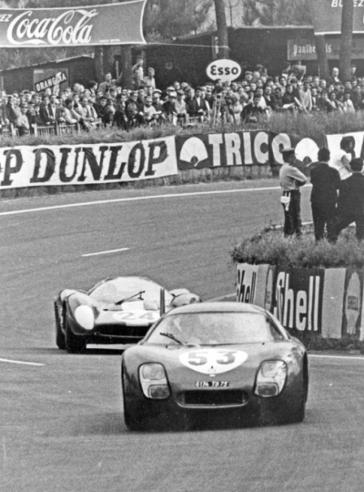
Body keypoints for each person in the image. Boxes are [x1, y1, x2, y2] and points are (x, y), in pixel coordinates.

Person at [310, 147, 341, 241]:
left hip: (317, 200)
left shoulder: (313, 171)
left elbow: (313, 181)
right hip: (330, 200)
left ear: (318, 157)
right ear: (329, 157)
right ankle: (332, 241)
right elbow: (338, 185)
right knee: (331, 223)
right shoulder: (334, 171)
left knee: (318, 224)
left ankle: (319, 241)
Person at [279, 147, 307, 237]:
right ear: (291, 157)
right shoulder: (291, 169)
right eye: (294, 157)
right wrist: (297, 184)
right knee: (295, 216)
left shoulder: (283, 168)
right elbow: (304, 179)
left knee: (288, 216)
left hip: (285, 193)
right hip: (292, 194)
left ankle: (288, 234)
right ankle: (296, 234)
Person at [335, 158, 364, 240]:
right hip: (362, 211)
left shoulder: (345, 182)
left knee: (337, 228)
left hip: (349, 210)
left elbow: (341, 199)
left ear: (350, 167)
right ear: (362, 167)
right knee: (360, 235)